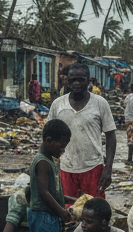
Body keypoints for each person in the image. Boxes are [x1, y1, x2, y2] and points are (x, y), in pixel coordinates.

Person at [46, 63, 117, 199]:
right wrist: (47, 166)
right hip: (65, 167)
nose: (76, 83)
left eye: (81, 80)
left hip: (93, 167)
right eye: (73, 80)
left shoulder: (100, 103)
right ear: (67, 80)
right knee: (67, 211)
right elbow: (48, 136)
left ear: (88, 80)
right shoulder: (58, 104)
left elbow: (111, 137)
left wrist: (108, 169)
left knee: (94, 211)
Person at [30, 119, 75, 232]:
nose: (62, 151)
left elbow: (54, 192)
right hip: (43, 215)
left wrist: (75, 200)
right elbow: (44, 193)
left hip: (49, 215)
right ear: (48, 140)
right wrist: (62, 212)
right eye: (60, 146)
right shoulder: (42, 162)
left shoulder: (50, 160)